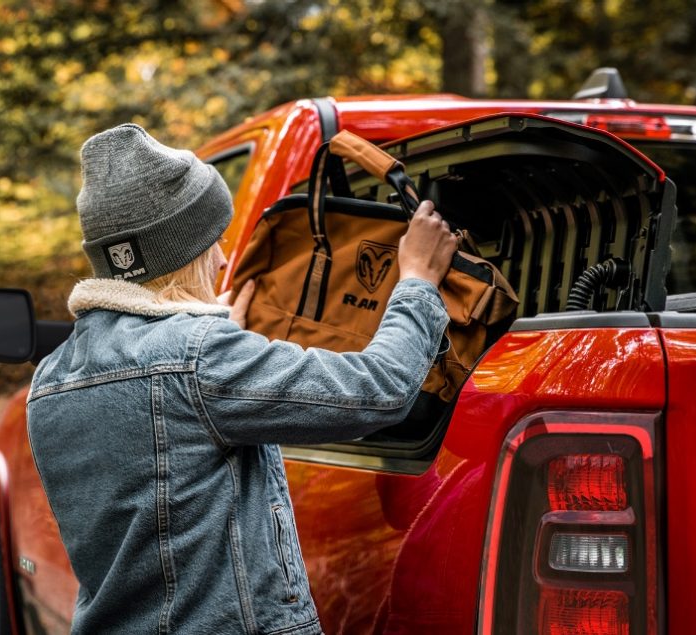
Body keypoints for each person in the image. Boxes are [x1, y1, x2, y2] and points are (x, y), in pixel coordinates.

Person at [25, 123, 456, 634]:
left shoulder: (50, 379)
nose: (225, 258)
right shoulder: (201, 361)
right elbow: (379, 389)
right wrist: (417, 281)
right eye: (213, 241)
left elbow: (161, 435)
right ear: (179, 255)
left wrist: (216, 332)